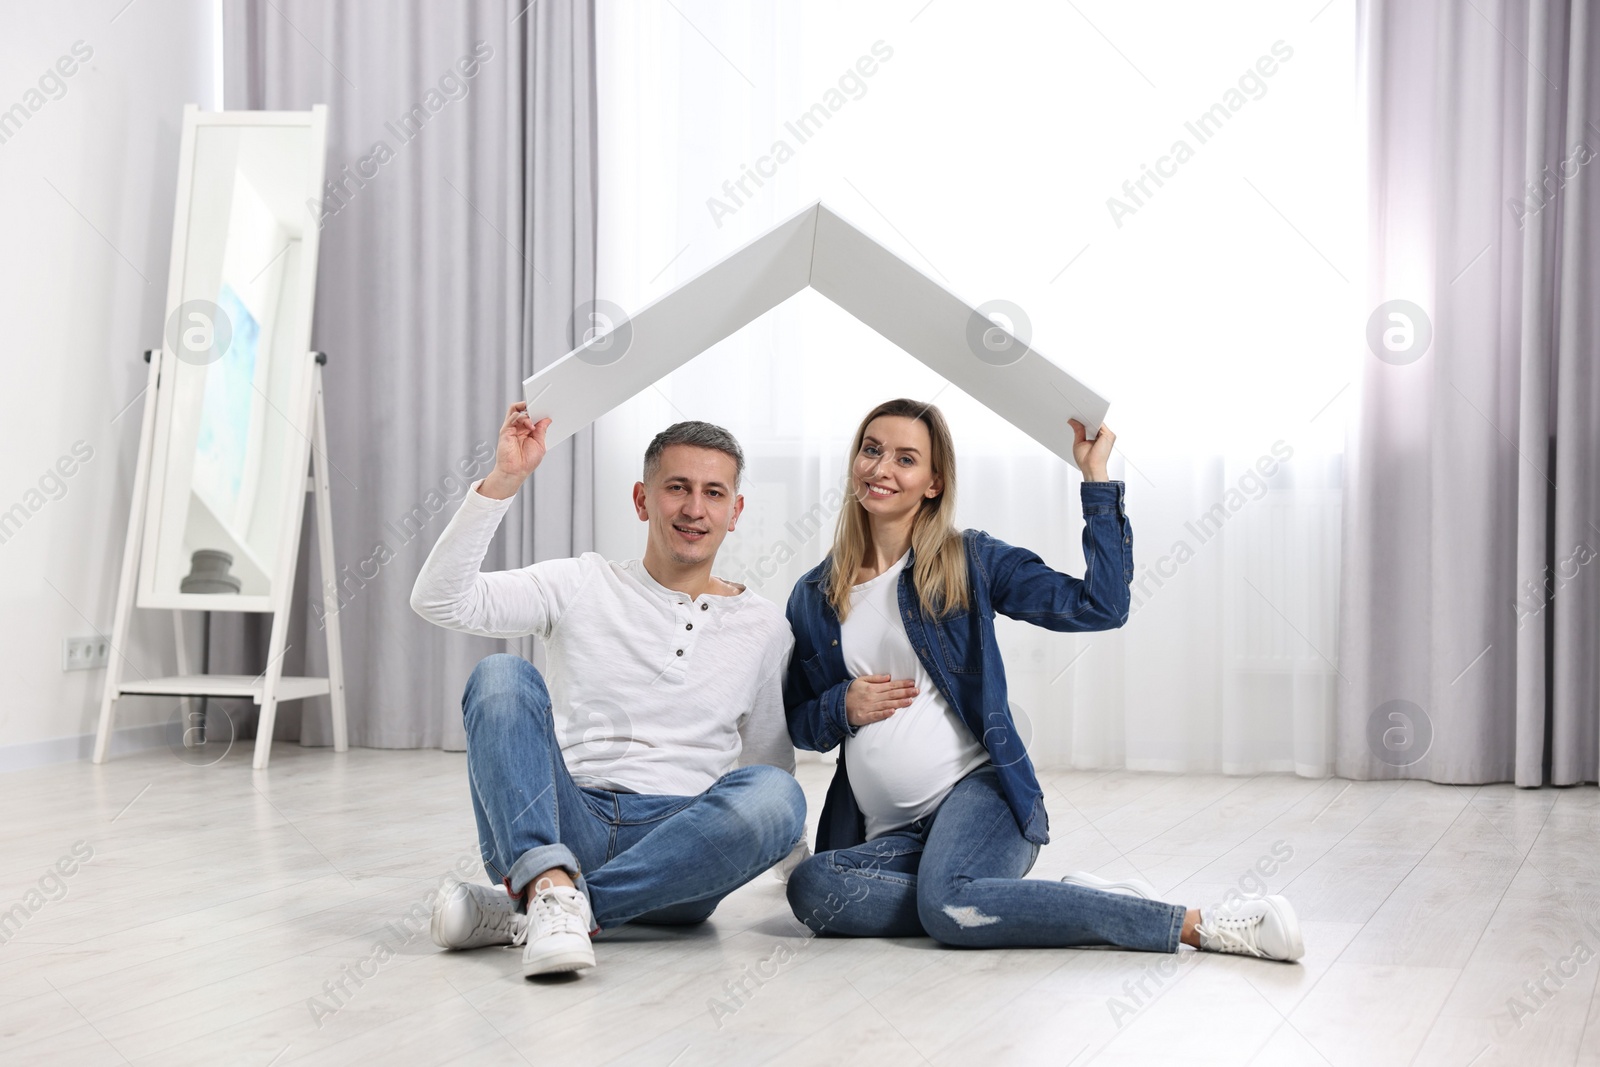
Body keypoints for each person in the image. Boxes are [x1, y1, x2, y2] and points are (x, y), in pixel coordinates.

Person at [781, 398, 1304, 962]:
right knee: (814, 887)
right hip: (888, 836)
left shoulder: (970, 560)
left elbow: (1100, 606)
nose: (881, 468)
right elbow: (804, 727)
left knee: (949, 910)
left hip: (981, 798)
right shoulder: (814, 595)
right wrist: (843, 705)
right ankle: (1016, 901)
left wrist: (1095, 477)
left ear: (933, 483)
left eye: (905, 459)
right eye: (872, 450)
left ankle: (1196, 925)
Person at [411, 403, 806, 977]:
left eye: (714, 493)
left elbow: (768, 760)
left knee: (779, 795)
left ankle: (535, 907)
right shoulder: (580, 581)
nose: (695, 509)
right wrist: (505, 481)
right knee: (499, 676)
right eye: (677, 488)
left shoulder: (765, 626)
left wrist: (795, 866)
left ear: (735, 510)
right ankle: (549, 881)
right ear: (643, 499)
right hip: (562, 822)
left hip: (681, 851)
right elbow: (441, 600)